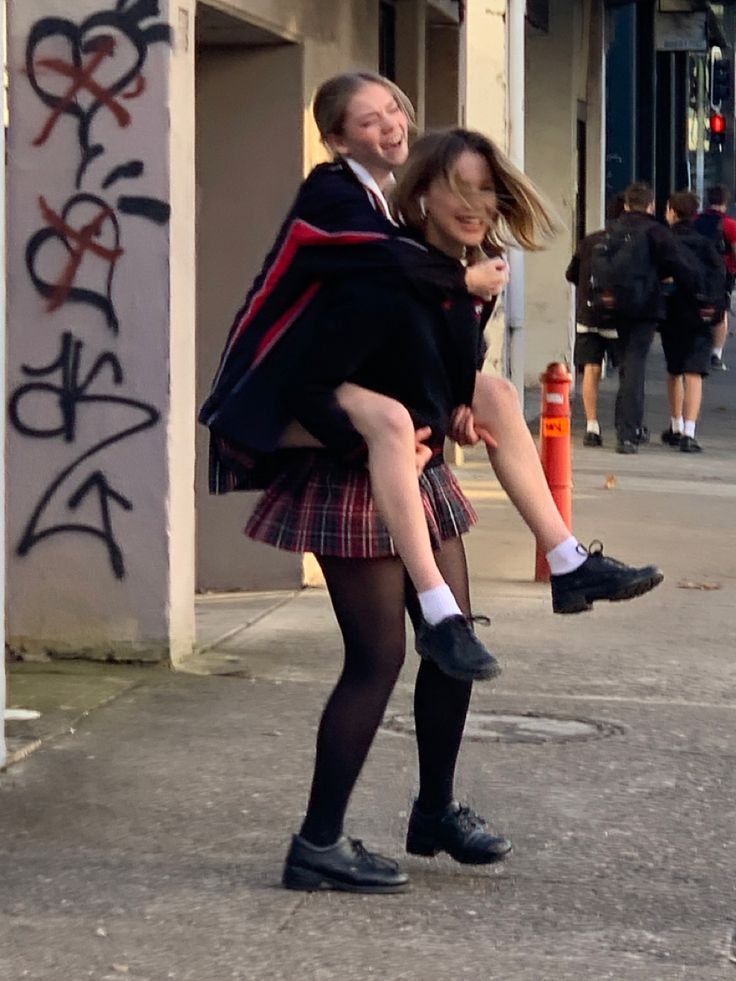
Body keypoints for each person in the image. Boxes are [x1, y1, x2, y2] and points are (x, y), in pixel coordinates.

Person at [201, 73, 664, 646]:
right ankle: (437, 605)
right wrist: (462, 279)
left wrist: (454, 402)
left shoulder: (396, 214)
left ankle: (566, 559)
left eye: (394, 108)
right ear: (340, 142)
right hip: (273, 386)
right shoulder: (333, 194)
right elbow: (383, 267)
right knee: (396, 431)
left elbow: (426, 333)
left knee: (491, 393)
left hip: (344, 389)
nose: (392, 124)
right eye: (370, 121)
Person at [592, 182, 698, 454]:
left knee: (627, 364)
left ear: (627, 205)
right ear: (650, 206)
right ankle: (628, 433)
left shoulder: (611, 230)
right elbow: (678, 264)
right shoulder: (656, 232)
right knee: (635, 365)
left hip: (614, 306)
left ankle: (626, 426)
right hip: (645, 306)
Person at [661, 191, 725, 453]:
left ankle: (675, 426)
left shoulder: (665, 242)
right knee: (694, 373)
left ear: (673, 212)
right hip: (700, 314)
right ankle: (690, 432)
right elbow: (720, 276)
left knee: (674, 371)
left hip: (672, 314)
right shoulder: (705, 243)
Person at [566, 194, 625, 447]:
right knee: (626, 370)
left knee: (591, 369)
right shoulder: (628, 243)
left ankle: (592, 425)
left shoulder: (589, 241)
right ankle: (625, 424)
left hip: (588, 315)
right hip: (618, 318)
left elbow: (571, 274)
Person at [693, 184, 736, 372]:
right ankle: (716, 354)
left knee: (694, 306)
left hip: (696, 271)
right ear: (725, 202)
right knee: (721, 313)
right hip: (722, 274)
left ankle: (695, 346)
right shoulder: (730, 225)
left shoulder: (695, 220)